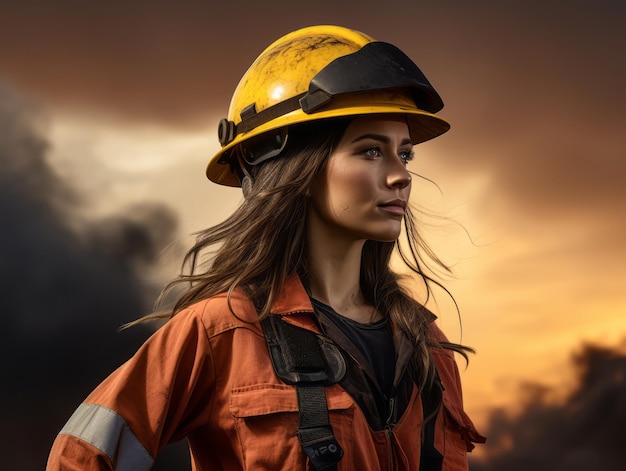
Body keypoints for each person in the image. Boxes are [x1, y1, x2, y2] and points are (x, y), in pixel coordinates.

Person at [46, 24, 485, 471]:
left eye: (404, 153)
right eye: (371, 151)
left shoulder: (427, 346)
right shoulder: (223, 331)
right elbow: (82, 456)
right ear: (296, 168)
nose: (400, 175)